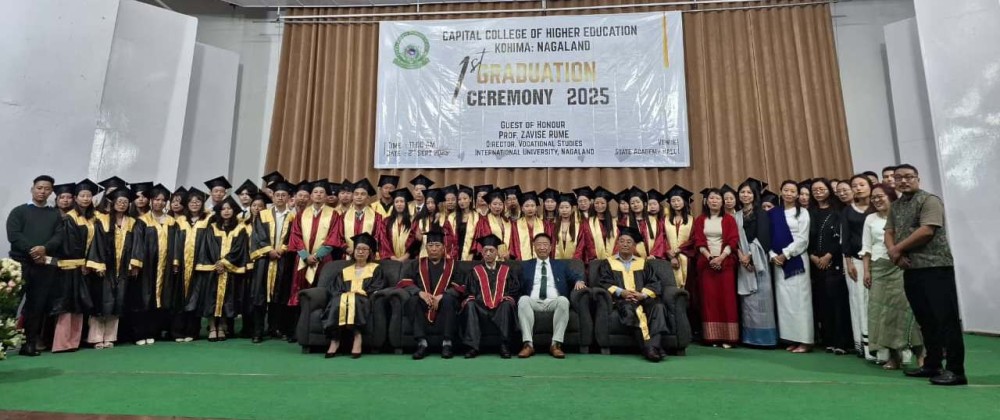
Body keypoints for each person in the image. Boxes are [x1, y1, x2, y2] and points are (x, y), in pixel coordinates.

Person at [885, 164, 966, 386]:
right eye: (898, 178)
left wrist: (897, 249)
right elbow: (889, 231)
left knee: (945, 320)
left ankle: (956, 370)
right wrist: (896, 253)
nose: (903, 181)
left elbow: (927, 230)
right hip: (911, 269)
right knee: (926, 321)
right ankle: (932, 364)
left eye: (908, 177)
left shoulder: (930, 200)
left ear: (917, 179)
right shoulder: (896, 206)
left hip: (936, 267)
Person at [863, 183, 923, 370]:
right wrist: (867, 271)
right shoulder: (870, 219)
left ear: (891, 196)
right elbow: (867, 247)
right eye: (874, 197)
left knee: (905, 312)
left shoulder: (901, 215)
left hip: (899, 266)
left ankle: (920, 354)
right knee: (882, 314)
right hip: (878, 268)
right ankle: (893, 356)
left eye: (881, 196)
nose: (877, 200)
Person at [6, 175, 65, 356]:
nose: (42, 191)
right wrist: (33, 250)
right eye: (39, 188)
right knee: (11, 303)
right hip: (20, 264)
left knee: (36, 305)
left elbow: (59, 236)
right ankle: (3, 342)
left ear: (51, 192)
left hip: (44, 266)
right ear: (32, 189)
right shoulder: (19, 211)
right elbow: (14, 235)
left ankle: (29, 344)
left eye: (46, 189)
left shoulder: (54, 214)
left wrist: (44, 248)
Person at [597, 225, 667, 362]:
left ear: (635, 245)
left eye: (629, 242)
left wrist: (643, 295)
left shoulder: (643, 263)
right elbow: (603, 282)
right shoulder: (608, 263)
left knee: (659, 308)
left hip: (643, 298)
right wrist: (622, 292)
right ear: (617, 243)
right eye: (622, 241)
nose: (625, 244)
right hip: (622, 300)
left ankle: (651, 347)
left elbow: (654, 282)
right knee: (630, 311)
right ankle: (652, 349)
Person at [287, 180, 345, 342]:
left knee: (322, 292)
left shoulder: (334, 214)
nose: (319, 195)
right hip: (303, 260)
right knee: (300, 293)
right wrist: (306, 255)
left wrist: (318, 255)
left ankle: (322, 329)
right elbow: (295, 236)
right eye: (316, 192)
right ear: (311, 196)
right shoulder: (301, 214)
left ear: (327, 196)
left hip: (324, 260)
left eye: (322, 192)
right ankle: (298, 331)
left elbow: (334, 237)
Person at [86, 186, 143, 350]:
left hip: (124, 268)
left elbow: (137, 245)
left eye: (125, 202)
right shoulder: (102, 220)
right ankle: (96, 337)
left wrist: (135, 264)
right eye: (119, 201)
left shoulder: (133, 223)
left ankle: (110, 337)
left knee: (117, 301)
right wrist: (98, 265)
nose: (122, 204)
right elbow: (96, 243)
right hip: (105, 267)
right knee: (101, 301)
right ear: (113, 202)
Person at [397, 228, 464, 359]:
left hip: (445, 302)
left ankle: (447, 344)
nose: (434, 249)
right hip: (423, 301)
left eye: (437, 245)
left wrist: (442, 295)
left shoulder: (453, 265)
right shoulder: (415, 264)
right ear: (426, 248)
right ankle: (422, 344)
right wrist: (420, 292)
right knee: (413, 300)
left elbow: (460, 286)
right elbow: (405, 282)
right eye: (430, 245)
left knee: (449, 300)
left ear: (444, 248)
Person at [517, 233, 586, 358]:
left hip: (553, 302)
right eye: (539, 244)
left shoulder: (560, 265)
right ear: (534, 247)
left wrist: (579, 281)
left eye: (545, 245)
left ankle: (556, 345)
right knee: (523, 300)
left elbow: (575, 276)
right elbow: (517, 285)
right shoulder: (525, 266)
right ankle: (528, 344)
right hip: (533, 302)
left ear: (550, 247)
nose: (542, 247)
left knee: (564, 301)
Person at [188, 196, 247, 342]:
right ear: (219, 211)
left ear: (234, 211)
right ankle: (212, 327)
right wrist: (218, 263)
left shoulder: (240, 228)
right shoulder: (212, 227)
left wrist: (225, 262)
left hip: (230, 270)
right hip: (213, 270)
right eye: (223, 209)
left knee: (227, 299)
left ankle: (222, 326)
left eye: (229, 208)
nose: (226, 211)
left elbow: (239, 248)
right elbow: (208, 247)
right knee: (211, 299)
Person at [50, 180, 100, 353]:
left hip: (84, 267)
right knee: (67, 304)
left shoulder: (91, 217)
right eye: (82, 196)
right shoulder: (70, 217)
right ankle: (61, 343)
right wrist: (82, 262)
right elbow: (71, 245)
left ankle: (74, 342)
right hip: (69, 266)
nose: (86, 199)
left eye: (89, 196)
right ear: (76, 198)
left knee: (79, 304)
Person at [321, 233, 386, 358]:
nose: (360, 252)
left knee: (354, 300)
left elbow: (378, 286)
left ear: (369, 252)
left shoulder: (375, 269)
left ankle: (357, 336)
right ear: (354, 251)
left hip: (363, 299)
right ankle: (335, 339)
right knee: (337, 301)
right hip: (344, 298)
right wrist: (345, 295)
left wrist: (360, 292)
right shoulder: (345, 271)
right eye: (358, 249)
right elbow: (335, 288)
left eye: (364, 249)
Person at [247, 181, 296, 343]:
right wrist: (269, 250)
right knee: (259, 296)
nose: (280, 198)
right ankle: (258, 331)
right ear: (272, 197)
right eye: (277, 195)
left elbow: (293, 236)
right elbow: (258, 236)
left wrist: (282, 249)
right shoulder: (263, 215)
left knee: (280, 295)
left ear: (289, 197)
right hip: (264, 261)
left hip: (283, 259)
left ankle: (275, 328)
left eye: (283, 195)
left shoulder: (293, 216)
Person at [809, 178, 853, 355]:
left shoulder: (839, 210)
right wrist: (812, 255)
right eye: (815, 190)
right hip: (814, 262)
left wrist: (829, 255)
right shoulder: (809, 212)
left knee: (838, 302)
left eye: (821, 188)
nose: (818, 192)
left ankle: (842, 341)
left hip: (834, 262)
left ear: (829, 190)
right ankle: (828, 339)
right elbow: (806, 237)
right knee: (822, 302)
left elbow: (841, 237)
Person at [130, 184, 176, 346]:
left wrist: (175, 262)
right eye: (157, 199)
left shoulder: (171, 221)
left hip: (165, 266)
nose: (160, 203)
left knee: (161, 299)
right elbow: (137, 244)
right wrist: (136, 264)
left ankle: (154, 332)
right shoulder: (142, 221)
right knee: (144, 298)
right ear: (150, 201)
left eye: (163, 200)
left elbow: (176, 244)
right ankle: (140, 333)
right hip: (147, 266)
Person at [693, 188, 740, 347]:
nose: (714, 201)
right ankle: (712, 337)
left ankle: (729, 338)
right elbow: (698, 240)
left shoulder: (729, 219)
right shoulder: (700, 220)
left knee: (727, 300)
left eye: (717, 198)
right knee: (709, 301)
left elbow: (733, 240)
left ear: (722, 202)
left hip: (725, 263)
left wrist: (720, 258)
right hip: (706, 264)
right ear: (706, 201)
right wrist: (710, 258)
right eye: (711, 198)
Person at [770, 180, 813, 353]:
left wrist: (786, 254)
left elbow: (803, 239)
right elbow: (768, 237)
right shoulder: (773, 213)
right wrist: (773, 256)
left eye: (792, 191)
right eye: (785, 190)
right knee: (785, 302)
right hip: (778, 263)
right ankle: (792, 338)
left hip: (797, 260)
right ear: (781, 192)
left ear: (797, 194)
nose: (789, 193)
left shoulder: (802, 213)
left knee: (801, 302)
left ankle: (805, 340)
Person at [461, 234, 518, 359]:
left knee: (507, 303)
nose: (488, 254)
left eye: (491, 250)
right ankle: (472, 347)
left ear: (497, 252)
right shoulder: (475, 270)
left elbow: (514, 291)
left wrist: (505, 298)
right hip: (480, 307)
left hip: (501, 308)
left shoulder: (507, 270)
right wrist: (477, 299)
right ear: (481, 253)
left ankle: (504, 345)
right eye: (485, 251)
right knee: (470, 304)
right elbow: (469, 292)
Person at [735, 178, 776, 347]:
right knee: (748, 302)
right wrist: (741, 256)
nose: (745, 195)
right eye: (742, 192)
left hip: (759, 260)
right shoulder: (736, 216)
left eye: (749, 192)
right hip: (742, 260)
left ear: (754, 195)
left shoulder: (761, 214)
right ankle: (750, 337)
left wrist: (750, 256)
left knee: (762, 299)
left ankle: (766, 338)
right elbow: (734, 239)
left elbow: (764, 237)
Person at [170, 187, 210, 342]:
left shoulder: (208, 220)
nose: (194, 204)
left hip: (199, 265)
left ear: (202, 204)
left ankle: (192, 331)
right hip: (181, 265)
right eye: (191, 201)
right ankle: (177, 331)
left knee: (196, 297)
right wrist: (175, 261)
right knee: (179, 298)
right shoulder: (180, 221)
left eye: (198, 201)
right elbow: (174, 243)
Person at [843, 174, 875, 361]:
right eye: (854, 185)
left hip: (878, 260)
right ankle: (864, 346)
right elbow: (845, 238)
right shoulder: (848, 211)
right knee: (859, 300)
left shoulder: (877, 207)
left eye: (862, 184)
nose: (858, 188)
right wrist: (848, 262)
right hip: (855, 260)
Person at [339, 179, 384, 258]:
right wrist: (347, 249)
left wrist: (366, 250)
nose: (359, 197)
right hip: (347, 255)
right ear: (352, 197)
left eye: (363, 194)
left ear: (368, 197)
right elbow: (339, 236)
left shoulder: (377, 217)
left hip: (368, 256)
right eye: (356, 194)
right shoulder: (343, 216)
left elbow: (378, 236)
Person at [664, 185, 695, 288]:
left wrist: (679, 250)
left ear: (684, 201)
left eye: (678, 200)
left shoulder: (692, 220)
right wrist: (670, 254)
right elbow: (661, 238)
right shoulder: (664, 220)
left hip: (687, 259)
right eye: (673, 201)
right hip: (668, 259)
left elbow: (693, 239)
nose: (676, 203)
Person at [509, 191, 551, 260]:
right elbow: (514, 245)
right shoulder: (515, 225)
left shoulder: (545, 224)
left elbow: (549, 244)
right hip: (522, 261)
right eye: (527, 206)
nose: (530, 208)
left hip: (542, 260)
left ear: (536, 208)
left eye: (532, 206)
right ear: (522, 208)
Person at [473, 189, 512, 260]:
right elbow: (483, 243)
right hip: (490, 258)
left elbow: (513, 241)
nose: (497, 206)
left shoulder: (508, 221)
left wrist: (509, 254)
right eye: (494, 204)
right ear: (489, 206)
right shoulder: (484, 221)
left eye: (500, 204)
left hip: (507, 258)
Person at [551, 193, 590, 260]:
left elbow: (581, 245)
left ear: (572, 209)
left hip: (575, 262)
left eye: (567, 207)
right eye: (561, 207)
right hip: (556, 261)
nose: (564, 210)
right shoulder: (553, 225)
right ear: (558, 209)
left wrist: (575, 260)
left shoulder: (579, 225)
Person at [584, 187, 619, 263]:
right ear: (593, 204)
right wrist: (593, 258)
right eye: (596, 203)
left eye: (602, 203)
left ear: (607, 204)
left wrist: (615, 257)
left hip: (614, 261)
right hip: (595, 261)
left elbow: (618, 242)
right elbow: (588, 243)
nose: (599, 206)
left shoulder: (615, 222)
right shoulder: (587, 222)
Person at [380, 188, 415, 261]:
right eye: (396, 202)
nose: (399, 204)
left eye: (402, 201)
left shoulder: (413, 221)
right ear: (394, 204)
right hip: (390, 260)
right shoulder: (386, 221)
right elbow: (383, 240)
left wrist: (405, 257)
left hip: (409, 261)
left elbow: (415, 241)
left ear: (406, 204)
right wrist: (392, 257)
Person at [448, 185, 480, 261]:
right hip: (454, 254)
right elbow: (448, 237)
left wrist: (472, 254)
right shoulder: (452, 217)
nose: (462, 201)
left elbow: (478, 237)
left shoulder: (477, 217)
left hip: (472, 255)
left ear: (470, 199)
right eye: (459, 199)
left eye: (465, 198)